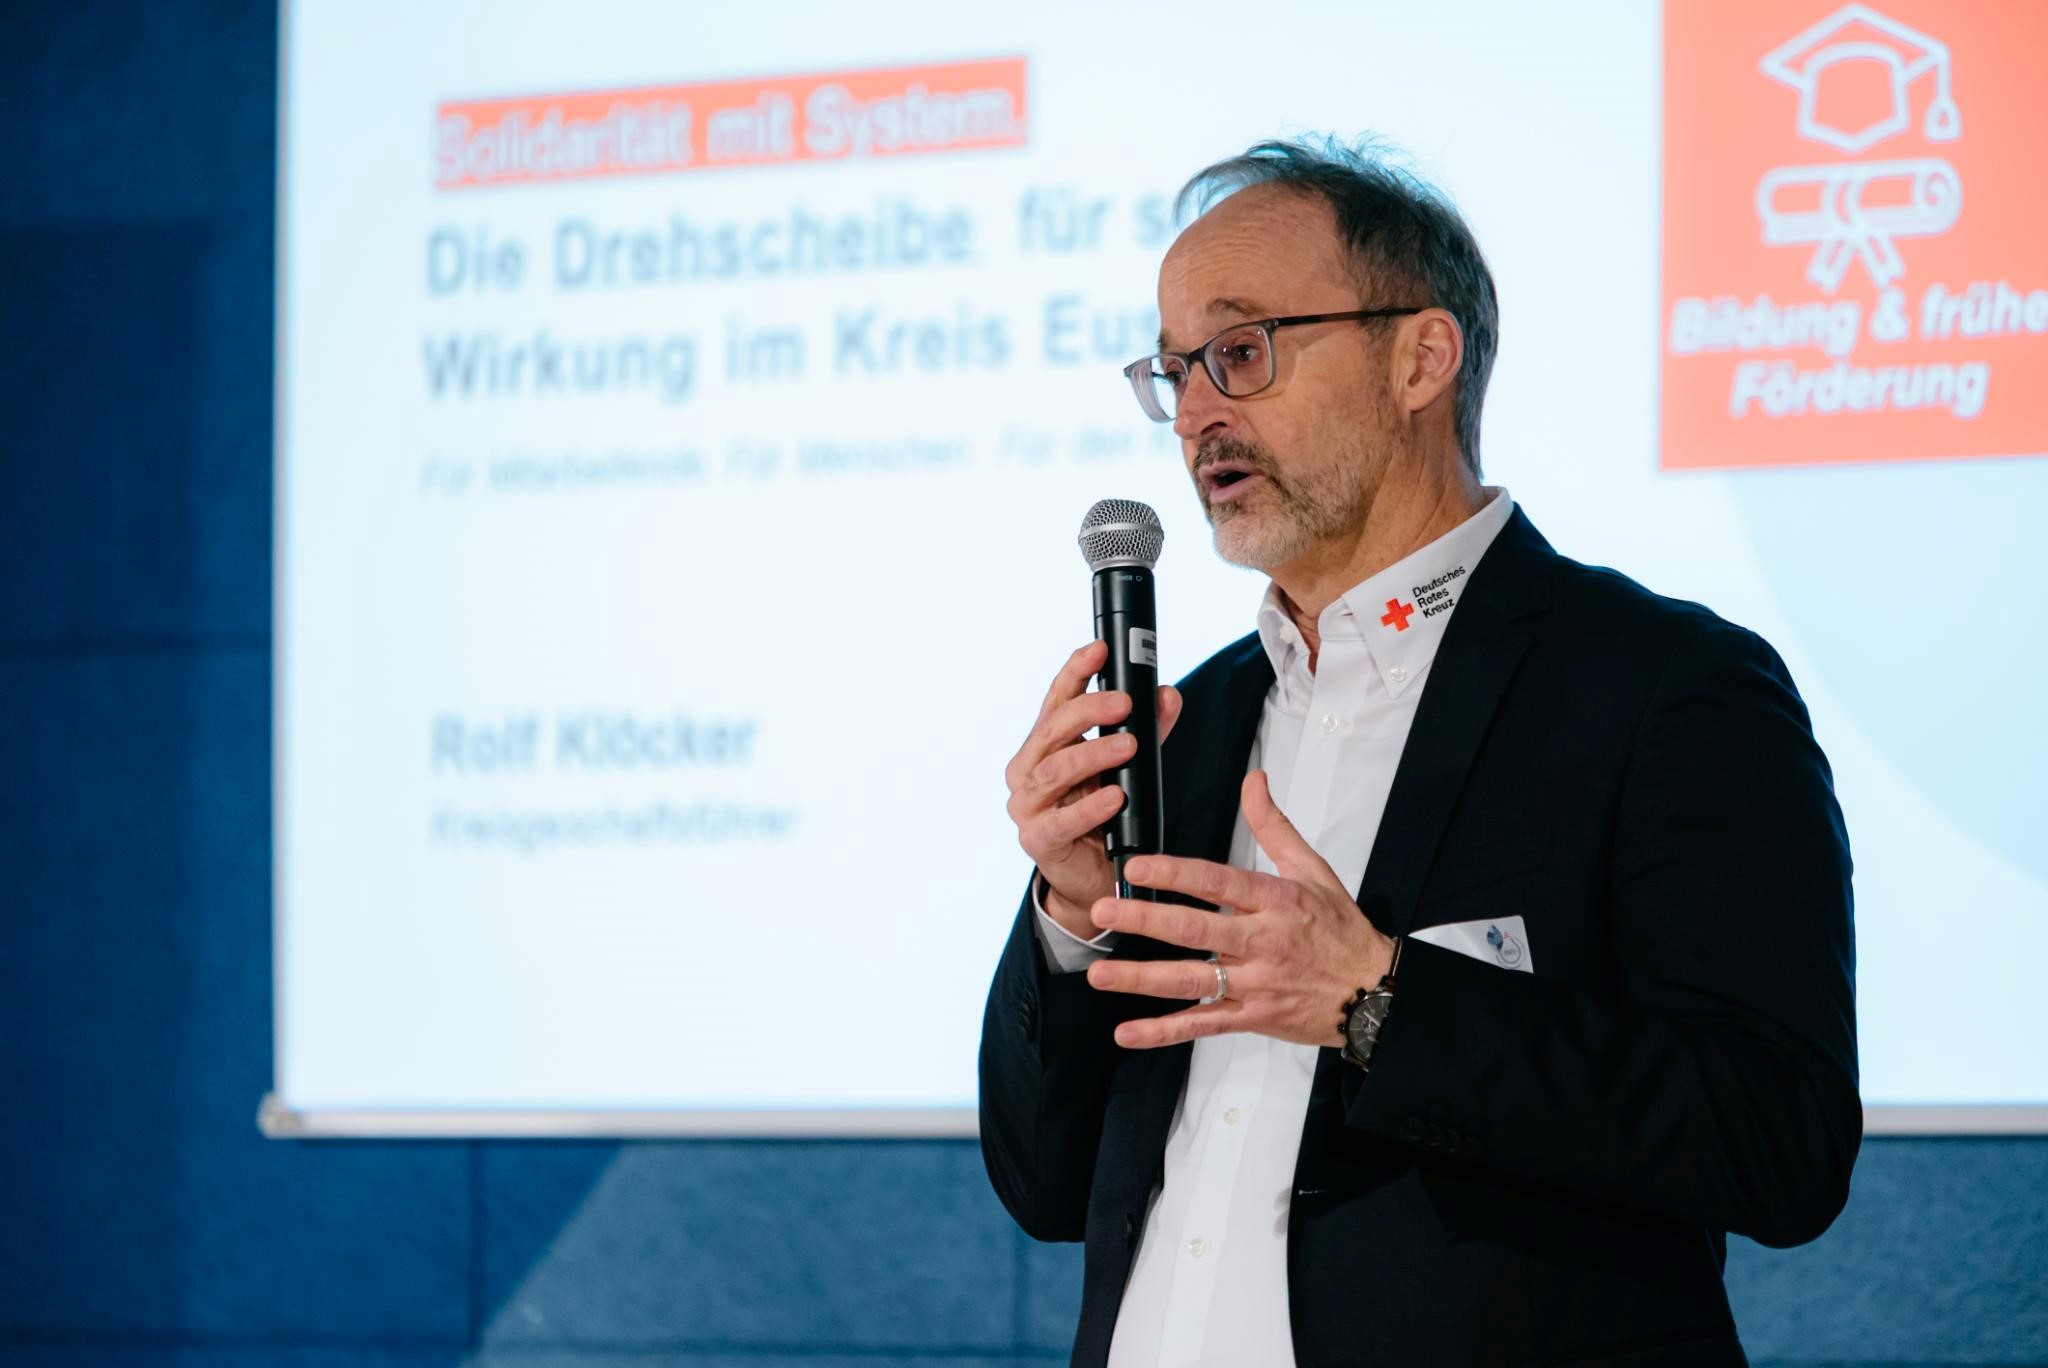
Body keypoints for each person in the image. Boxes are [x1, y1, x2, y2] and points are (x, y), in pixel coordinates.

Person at [978, 137, 1860, 1367]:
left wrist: (1375, 1004)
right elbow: (1044, 1185)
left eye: (1240, 351)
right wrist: (1072, 919)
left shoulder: (1662, 688)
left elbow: (1777, 1143)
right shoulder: (1190, 722)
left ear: (1419, 359)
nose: (1196, 414)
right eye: (1173, 371)